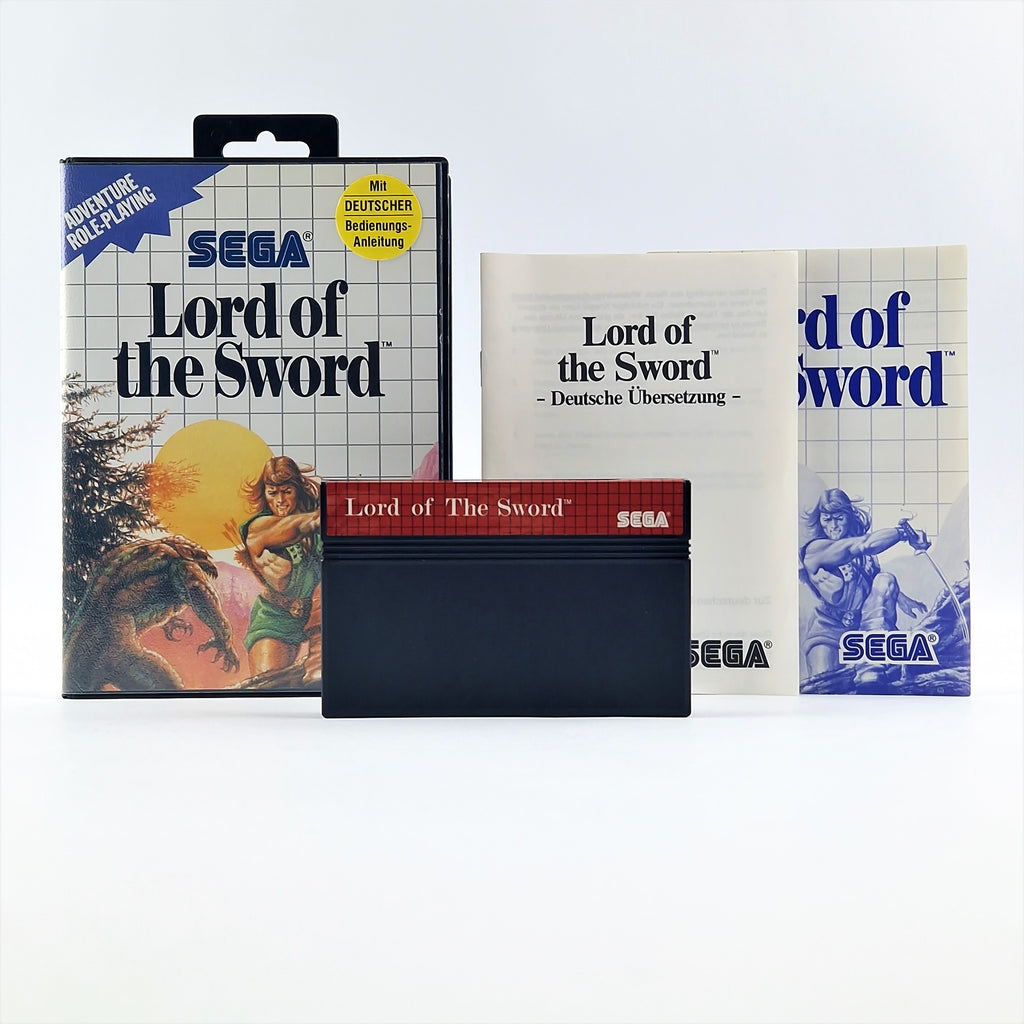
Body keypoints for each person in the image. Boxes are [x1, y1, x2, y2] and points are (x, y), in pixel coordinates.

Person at [800, 488, 929, 682]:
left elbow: (873, 579)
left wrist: (900, 598)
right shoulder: (816, 550)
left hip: (865, 628)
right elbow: (862, 544)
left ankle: (873, 664)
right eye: (827, 519)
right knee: (823, 686)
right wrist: (904, 533)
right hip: (828, 631)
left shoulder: (864, 556)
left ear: (849, 517)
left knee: (885, 579)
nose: (833, 526)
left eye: (839, 518)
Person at [239, 457, 322, 676]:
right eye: (272, 493)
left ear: (298, 490)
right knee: (266, 683)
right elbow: (298, 526)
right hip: (277, 616)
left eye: (287, 492)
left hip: (323, 615)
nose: (280, 501)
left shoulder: (317, 524)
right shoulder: (258, 528)